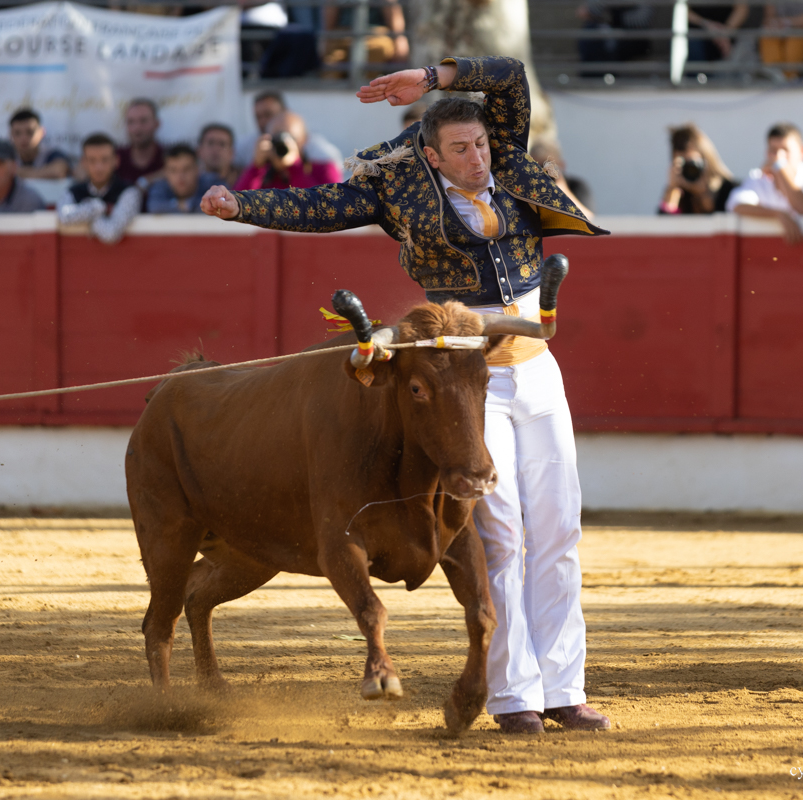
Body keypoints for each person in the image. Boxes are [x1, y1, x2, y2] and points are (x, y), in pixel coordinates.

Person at [201, 56, 610, 734]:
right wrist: (243, 205)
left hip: (536, 363)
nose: (477, 158)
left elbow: (509, 76)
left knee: (559, 528)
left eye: (480, 144)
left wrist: (435, 76)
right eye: (460, 149)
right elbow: (323, 206)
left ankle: (565, 688)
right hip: (463, 375)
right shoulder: (399, 187)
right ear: (431, 155)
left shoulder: (507, 155)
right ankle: (515, 696)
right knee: (501, 534)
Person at [726, 122, 803, 244]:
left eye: (785, 150)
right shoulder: (758, 178)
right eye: (773, 151)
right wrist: (777, 214)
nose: (778, 156)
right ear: (767, 153)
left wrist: (780, 167)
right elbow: (737, 205)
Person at [57, 133, 143, 245]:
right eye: (92, 160)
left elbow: (110, 233)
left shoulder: (129, 192)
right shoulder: (73, 191)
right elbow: (63, 216)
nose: (99, 167)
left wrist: (87, 214)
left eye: (105, 160)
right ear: (84, 162)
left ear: (116, 161)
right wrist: (99, 208)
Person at [234, 90, 345, 171]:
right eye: (258, 117)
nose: (263, 122)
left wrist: (296, 163)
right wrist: (256, 165)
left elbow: (335, 170)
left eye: (268, 114)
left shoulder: (313, 146)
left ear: (285, 112)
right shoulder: (250, 144)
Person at [235, 111, 343, 191]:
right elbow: (237, 203)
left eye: (291, 138)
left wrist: (295, 167)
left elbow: (330, 206)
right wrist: (256, 166)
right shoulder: (262, 175)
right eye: (277, 138)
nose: (283, 143)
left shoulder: (325, 170)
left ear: (304, 140)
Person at [657, 124, 736, 214]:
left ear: (707, 160)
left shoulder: (730, 190)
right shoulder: (680, 193)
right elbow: (664, 221)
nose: (690, 170)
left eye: (692, 164)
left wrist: (703, 194)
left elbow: (723, 215)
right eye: (683, 165)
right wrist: (672, 189)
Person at [530, 138, 595, 219]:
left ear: (561, 165)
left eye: (548, 166)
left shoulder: (576, 186)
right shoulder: (526, 188)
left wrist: (560, 189)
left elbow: (589, 218)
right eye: (537, 167)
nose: (543, 172)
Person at [146, 144, 212, 214]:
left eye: (186, 169)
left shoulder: (210, 183)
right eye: (173, 170)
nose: (180, 176)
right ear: (165, 172)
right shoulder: (160, 186)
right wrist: (188, 205)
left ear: (197, 169)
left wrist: (180, 205)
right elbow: (154, 206)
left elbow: (217, 204)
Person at [9, 108, 72, 180]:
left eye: (29, 132)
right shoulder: (6, 155)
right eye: (17, 133)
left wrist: (17, 172)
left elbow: (58, 171)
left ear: (42, 132)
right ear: (10, 135)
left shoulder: (52, 154)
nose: (24, 138)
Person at [116, 98, 165, 188]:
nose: (137, 128)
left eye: (143, 121)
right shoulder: (116, 158)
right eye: (131, 122)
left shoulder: (168, 158)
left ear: (157, 124)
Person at [197, 124, 240, 188]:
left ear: (231, 153)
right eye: (211, 143)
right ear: (199, 150)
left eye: (222, 144)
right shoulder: (188, 187)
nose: (216, 149)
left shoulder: (245, 184)